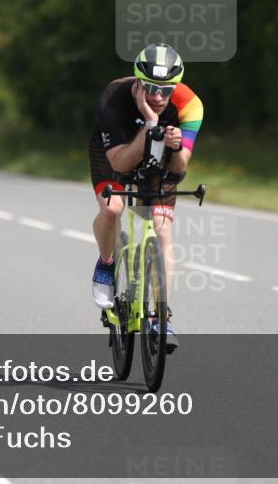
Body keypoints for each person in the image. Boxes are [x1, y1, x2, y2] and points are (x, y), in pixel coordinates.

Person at [87, 44, 204, 353]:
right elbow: (121, 165)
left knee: (161, 229)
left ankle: (160, 316)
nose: (157, 96)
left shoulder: (190, 105)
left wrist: (177, 147)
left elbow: (180, 169)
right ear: (137, 81)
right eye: (151, 87)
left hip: (161, 156)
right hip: (116, 150)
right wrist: (151, 124)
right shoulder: (114, 98)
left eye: (166, 90)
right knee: (113, 208)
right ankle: (107, 262)